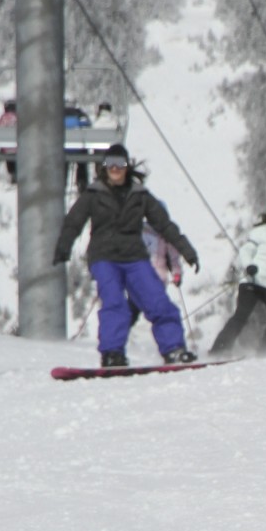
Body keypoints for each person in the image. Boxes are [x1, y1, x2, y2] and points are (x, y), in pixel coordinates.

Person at [53, 144, 200, 368]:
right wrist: (63, 248)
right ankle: (112, 353)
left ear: (127, 166)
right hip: (104, 256)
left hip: (134, 256)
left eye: (120, 163)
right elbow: (74, 222)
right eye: (110, 163)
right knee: (115, 303)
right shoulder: (93, 194)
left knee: (157, 300)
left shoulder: (139, 195)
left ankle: (174, 349)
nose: (115, 168)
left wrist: (187, 251)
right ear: (104, 167)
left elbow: (165, 225)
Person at [208, 194, 266, 356]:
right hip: (252, 280)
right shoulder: (260, 232)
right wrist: (249, 266)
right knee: (242, 314)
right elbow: (245, 251)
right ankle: (218, 350)